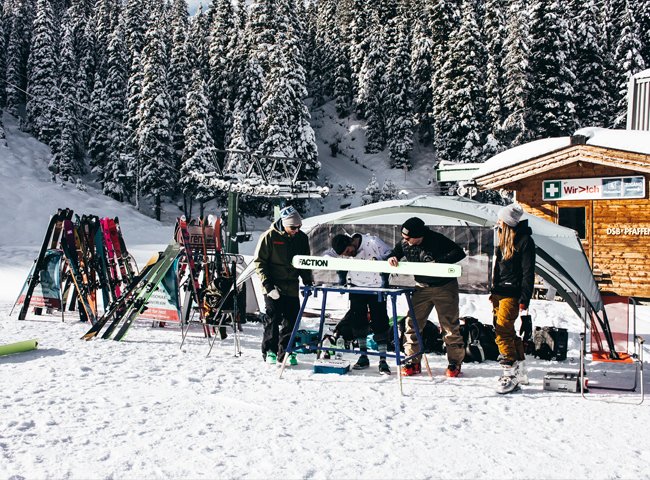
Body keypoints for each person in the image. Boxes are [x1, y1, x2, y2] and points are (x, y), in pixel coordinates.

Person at [387, 217, 466, 377]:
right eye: (404, 237)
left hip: (445, 287)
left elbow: (459, 252)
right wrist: (392, 257)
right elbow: (395, 252)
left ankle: (454, 363)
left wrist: (439, 262)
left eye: (409, 238)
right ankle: (412, 360)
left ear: (419, 235)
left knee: (449, 326)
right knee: (412, 324)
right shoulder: (404, 242)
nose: (406, 241)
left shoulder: (436, 239)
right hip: (421, 287)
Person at [254, 206, 313, 366]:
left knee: (291, 320)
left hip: (291, 285)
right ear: (284, 223)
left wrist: (308, 280)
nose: (296, 230)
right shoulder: (269, 237)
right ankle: (270, 351)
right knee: (273, 319)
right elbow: (259, 262)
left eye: (299, 227)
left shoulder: (301, 238)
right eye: (293, 227)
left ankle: (286, 351)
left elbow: (304, 261)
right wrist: (268, 285)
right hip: (273, 284)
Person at [326, 233, 392, 375]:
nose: (349, 254)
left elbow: (391, 254)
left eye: (349, 251)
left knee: (380, 322)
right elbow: (327, 256)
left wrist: (379, 261)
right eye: (345, 254)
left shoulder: (372, 241)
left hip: (377, 288)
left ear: (351, 242)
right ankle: (363, 356)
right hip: (356, 287)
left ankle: (383, 360)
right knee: (358, 322)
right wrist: (337, 264)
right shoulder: (343, 250)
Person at [490, 203, 535, 394]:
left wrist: (525, 298)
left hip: (513, 293)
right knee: (504, 330)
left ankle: (508, 370)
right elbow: (497, 269)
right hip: (498, 292)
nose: (497, 222)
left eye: (500, 220)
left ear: (507, 222)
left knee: (502, 331)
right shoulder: (501, 238)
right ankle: (521, 368)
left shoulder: (525, 241)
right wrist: (492, 289)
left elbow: (528, 272)